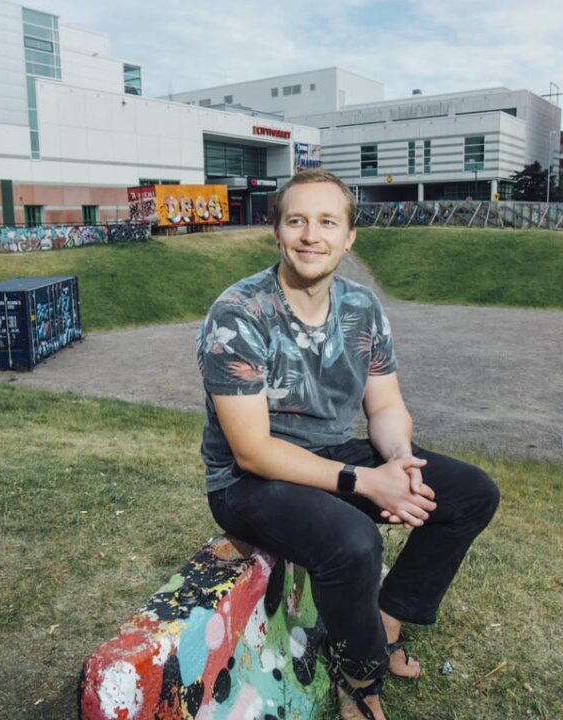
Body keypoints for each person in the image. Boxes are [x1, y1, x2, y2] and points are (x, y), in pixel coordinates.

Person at [195, 168, 500, 719]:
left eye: (327, 222)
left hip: (334, 455)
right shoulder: (238, 314)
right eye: (297, 221)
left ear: (349, 236)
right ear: (277, 232)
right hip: (248, 483)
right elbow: (251, 450)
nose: (312, 235)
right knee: (355, 541)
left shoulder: (362, 307)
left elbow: (384, 405)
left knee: (471, 493)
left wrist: (400, 460)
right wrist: (365, 482)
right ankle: (359, 676)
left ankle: (387, 619)